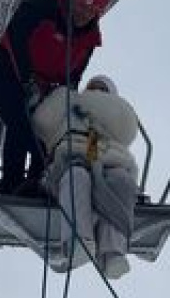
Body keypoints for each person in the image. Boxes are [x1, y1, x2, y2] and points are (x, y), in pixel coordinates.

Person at [0, 0, 113, 194]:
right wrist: (28, 80)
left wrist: (67, 108)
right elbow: (16, 41)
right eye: (81, 5)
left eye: (91, 12)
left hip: (40, 89)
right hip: (4, 75)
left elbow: (73, 78)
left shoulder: (89, 41)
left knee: (48, 127)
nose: (83, 15)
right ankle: (15, 183)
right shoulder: (41, 7)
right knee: (21, 119)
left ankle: (37, 181)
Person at [31, 75, 141, 280]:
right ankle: (79, 240)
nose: (97, 92)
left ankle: (112, 252)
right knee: (77, 175)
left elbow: (126, 129)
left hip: (108, 159)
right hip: (72, 157)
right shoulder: (70, 104)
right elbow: (42, 122)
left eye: (102, 89)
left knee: (120, 181)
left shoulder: (114, 121)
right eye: (94, 87)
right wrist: (62, 98)